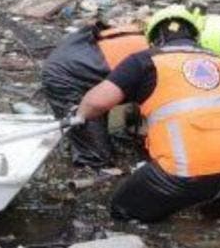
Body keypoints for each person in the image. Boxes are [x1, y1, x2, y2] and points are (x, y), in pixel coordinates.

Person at [73, 6, 220, 222]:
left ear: (154, 38)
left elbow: (96, 102)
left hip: (186, 172)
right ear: (195, 36)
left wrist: (80, 114)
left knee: (122, 209)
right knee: (216, 213)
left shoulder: (144, 61)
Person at [42, 20, 149, 169]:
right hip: (66, 72)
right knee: (95, 155)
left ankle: (120, 131)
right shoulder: (159, 58)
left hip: (88, 54)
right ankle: (91, 163)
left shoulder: (157, 36)